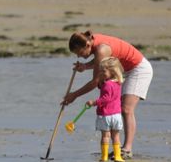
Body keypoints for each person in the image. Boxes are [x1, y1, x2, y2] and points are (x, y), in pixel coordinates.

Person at [63, 31, 153, 160]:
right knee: (121, 107)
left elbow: (95, 81)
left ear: (87, 45)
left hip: (138, 69)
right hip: (122, 70)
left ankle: (127, 149)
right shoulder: (93, 41)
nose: (78, 56)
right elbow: (101, 61)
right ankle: (121, 149)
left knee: (126, 109)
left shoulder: (101, 49)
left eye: (79, 52)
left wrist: (74, 95)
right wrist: (85, 66)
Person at [86, 57, 125, 162]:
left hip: (106, 115)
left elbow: (106, 98)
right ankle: (118, 156)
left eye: (103, 71)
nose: (101, 73)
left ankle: (104, 157)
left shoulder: (107, 85)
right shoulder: (118, 83)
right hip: (116, 114)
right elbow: (103, 88)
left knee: (105, 136)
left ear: (112, 71)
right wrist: (101, 78)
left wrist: (94, 102)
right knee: (116, 136)